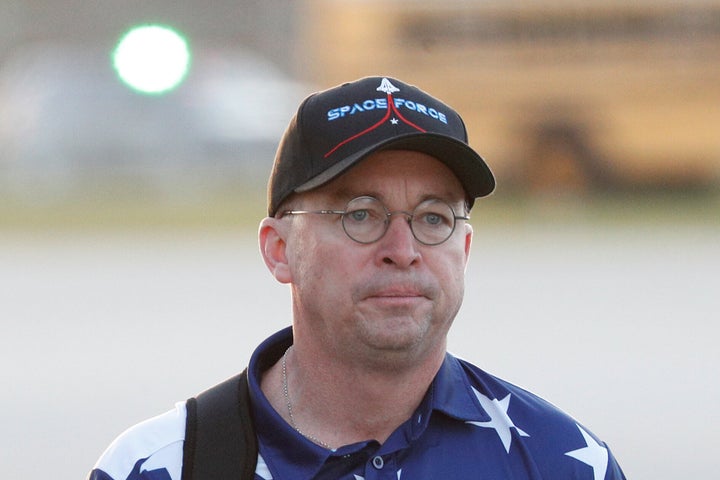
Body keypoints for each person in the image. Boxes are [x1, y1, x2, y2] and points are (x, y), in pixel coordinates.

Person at [88, 76, 626, 480]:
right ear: (279, 250)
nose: (403, 251)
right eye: (360, 214)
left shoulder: (563, 462)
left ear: (464, 249)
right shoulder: (165, 465)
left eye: (433, 218)